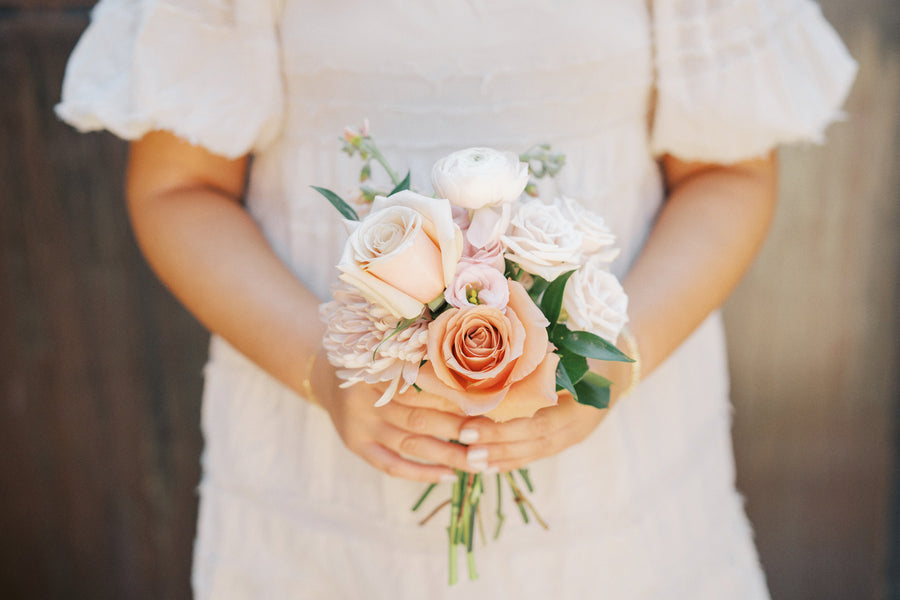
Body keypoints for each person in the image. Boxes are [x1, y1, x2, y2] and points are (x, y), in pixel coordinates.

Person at [57, 0, 856, 597]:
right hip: (322, 466)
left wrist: (614, 362)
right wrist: (321, 369)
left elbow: (728, 172)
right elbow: (179, 187)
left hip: (621, 466)